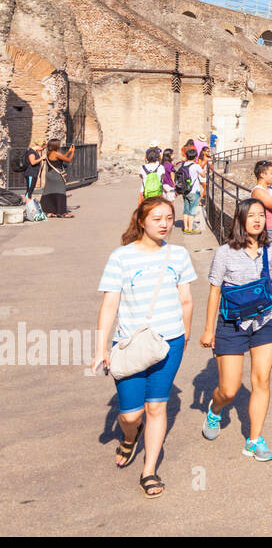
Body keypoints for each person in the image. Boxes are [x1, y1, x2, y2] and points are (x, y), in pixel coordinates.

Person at [92, 197, 197, 497]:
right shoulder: (121, 257)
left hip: (169, 343)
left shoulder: (178, 255)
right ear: (141, 221)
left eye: (168, 218)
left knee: (156, 406)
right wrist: (101, 349)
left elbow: (186, 299)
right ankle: (129, 437)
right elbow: (110, 304)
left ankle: (149, 469)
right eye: (156, 219)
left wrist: (185, 334)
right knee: (130, 415)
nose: (164, 224)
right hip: (130, 344)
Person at [200, 197, 272, 461]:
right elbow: (215, 292)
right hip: (231, 324)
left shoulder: (271, 249)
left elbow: (266, 284)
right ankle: (215, 410)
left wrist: (269, 305)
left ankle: (254, 440)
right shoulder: (224, 253)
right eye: (251, 216)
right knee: (230, 389)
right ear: (241, 220)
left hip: (263, 323)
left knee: (262, 380)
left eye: (261, 215)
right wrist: (208, 330)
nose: (257, 220)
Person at [40, 138, 76, 218]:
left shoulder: (49, 153)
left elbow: (62, 158)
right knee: (61, 192)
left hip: (50, 175)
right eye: (59, 144)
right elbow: (69, 160)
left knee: (49, 191)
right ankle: (63, 212)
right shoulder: (56, 153)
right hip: (57, 176)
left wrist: (69, 151)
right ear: (55, 145)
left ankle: (49, 211)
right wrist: (73, 152)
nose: (60, 145)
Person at [178, 147, 205, 235]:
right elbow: (203, 175)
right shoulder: (196, 166)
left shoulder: (182, 165)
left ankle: (186, 228)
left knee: (186, 210)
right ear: (195, 157)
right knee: (192, 211)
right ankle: (190, 229)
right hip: (194, 191)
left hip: (185, 190)